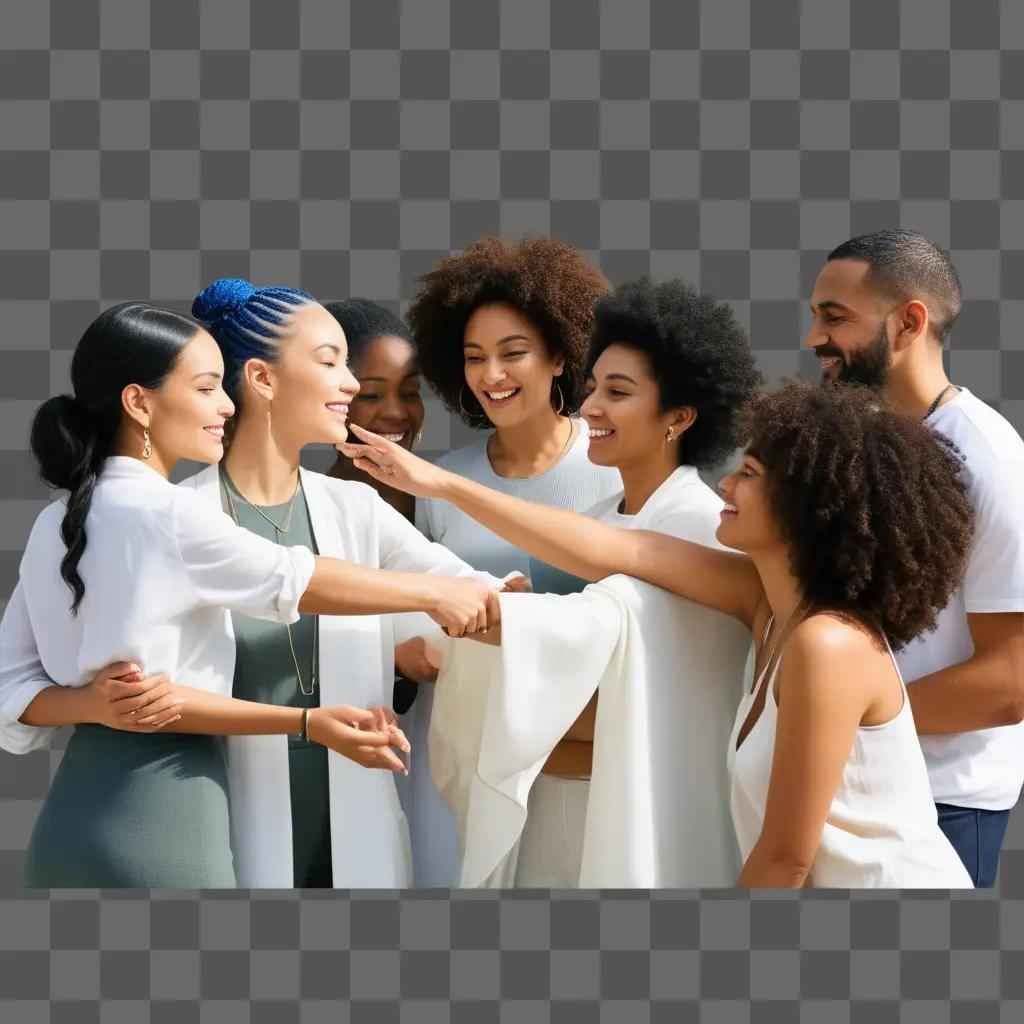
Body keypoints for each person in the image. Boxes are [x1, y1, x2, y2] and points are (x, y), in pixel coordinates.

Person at [342, 379, 977, 887]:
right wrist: (435, 482)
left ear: (813, 505)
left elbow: (787, 859)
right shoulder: (769, 605)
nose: (725, 484)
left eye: (750, 475)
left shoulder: (826, 644)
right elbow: (615, 549)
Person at [0, 302, 497, 888]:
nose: (226, 405)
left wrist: (90, 706)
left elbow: (13, 688)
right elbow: (294, 579)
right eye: (208, 388)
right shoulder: (176, 512)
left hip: (75, 812)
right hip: (173, 810)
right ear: (140, 402)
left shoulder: (57, 519)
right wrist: (432, 597)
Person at [423, 277, 762, 886]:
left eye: (619, 392)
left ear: (679, 416)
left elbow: (659, 700)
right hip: (559, 804)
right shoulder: (605, 516)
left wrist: (507, 636)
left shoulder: (696, 524)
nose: (590, 408)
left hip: (648, 813)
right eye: (595, 387)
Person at [400, 234, 622, 885]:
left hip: (580, 761)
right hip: (470, 755)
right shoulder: (444, 477)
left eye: (512, 353)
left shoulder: (611, 467)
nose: (491, 375)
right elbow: (424, 604)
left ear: (559, 355)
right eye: (474, 357)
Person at [807, 229, 1024, 887]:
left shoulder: (989, 461)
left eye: (834, 316)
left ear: (908, 322)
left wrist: (842, 718)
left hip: (942, 807)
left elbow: (1011, 680)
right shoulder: (862, 441)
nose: (815, 336)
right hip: (854, 788)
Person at [323, 298, 425, 716]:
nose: (397, 411)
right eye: (371, 394)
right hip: (340, 740)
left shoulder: (448, 503)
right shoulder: (309, 508)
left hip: (448, 746)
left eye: (411, 392)